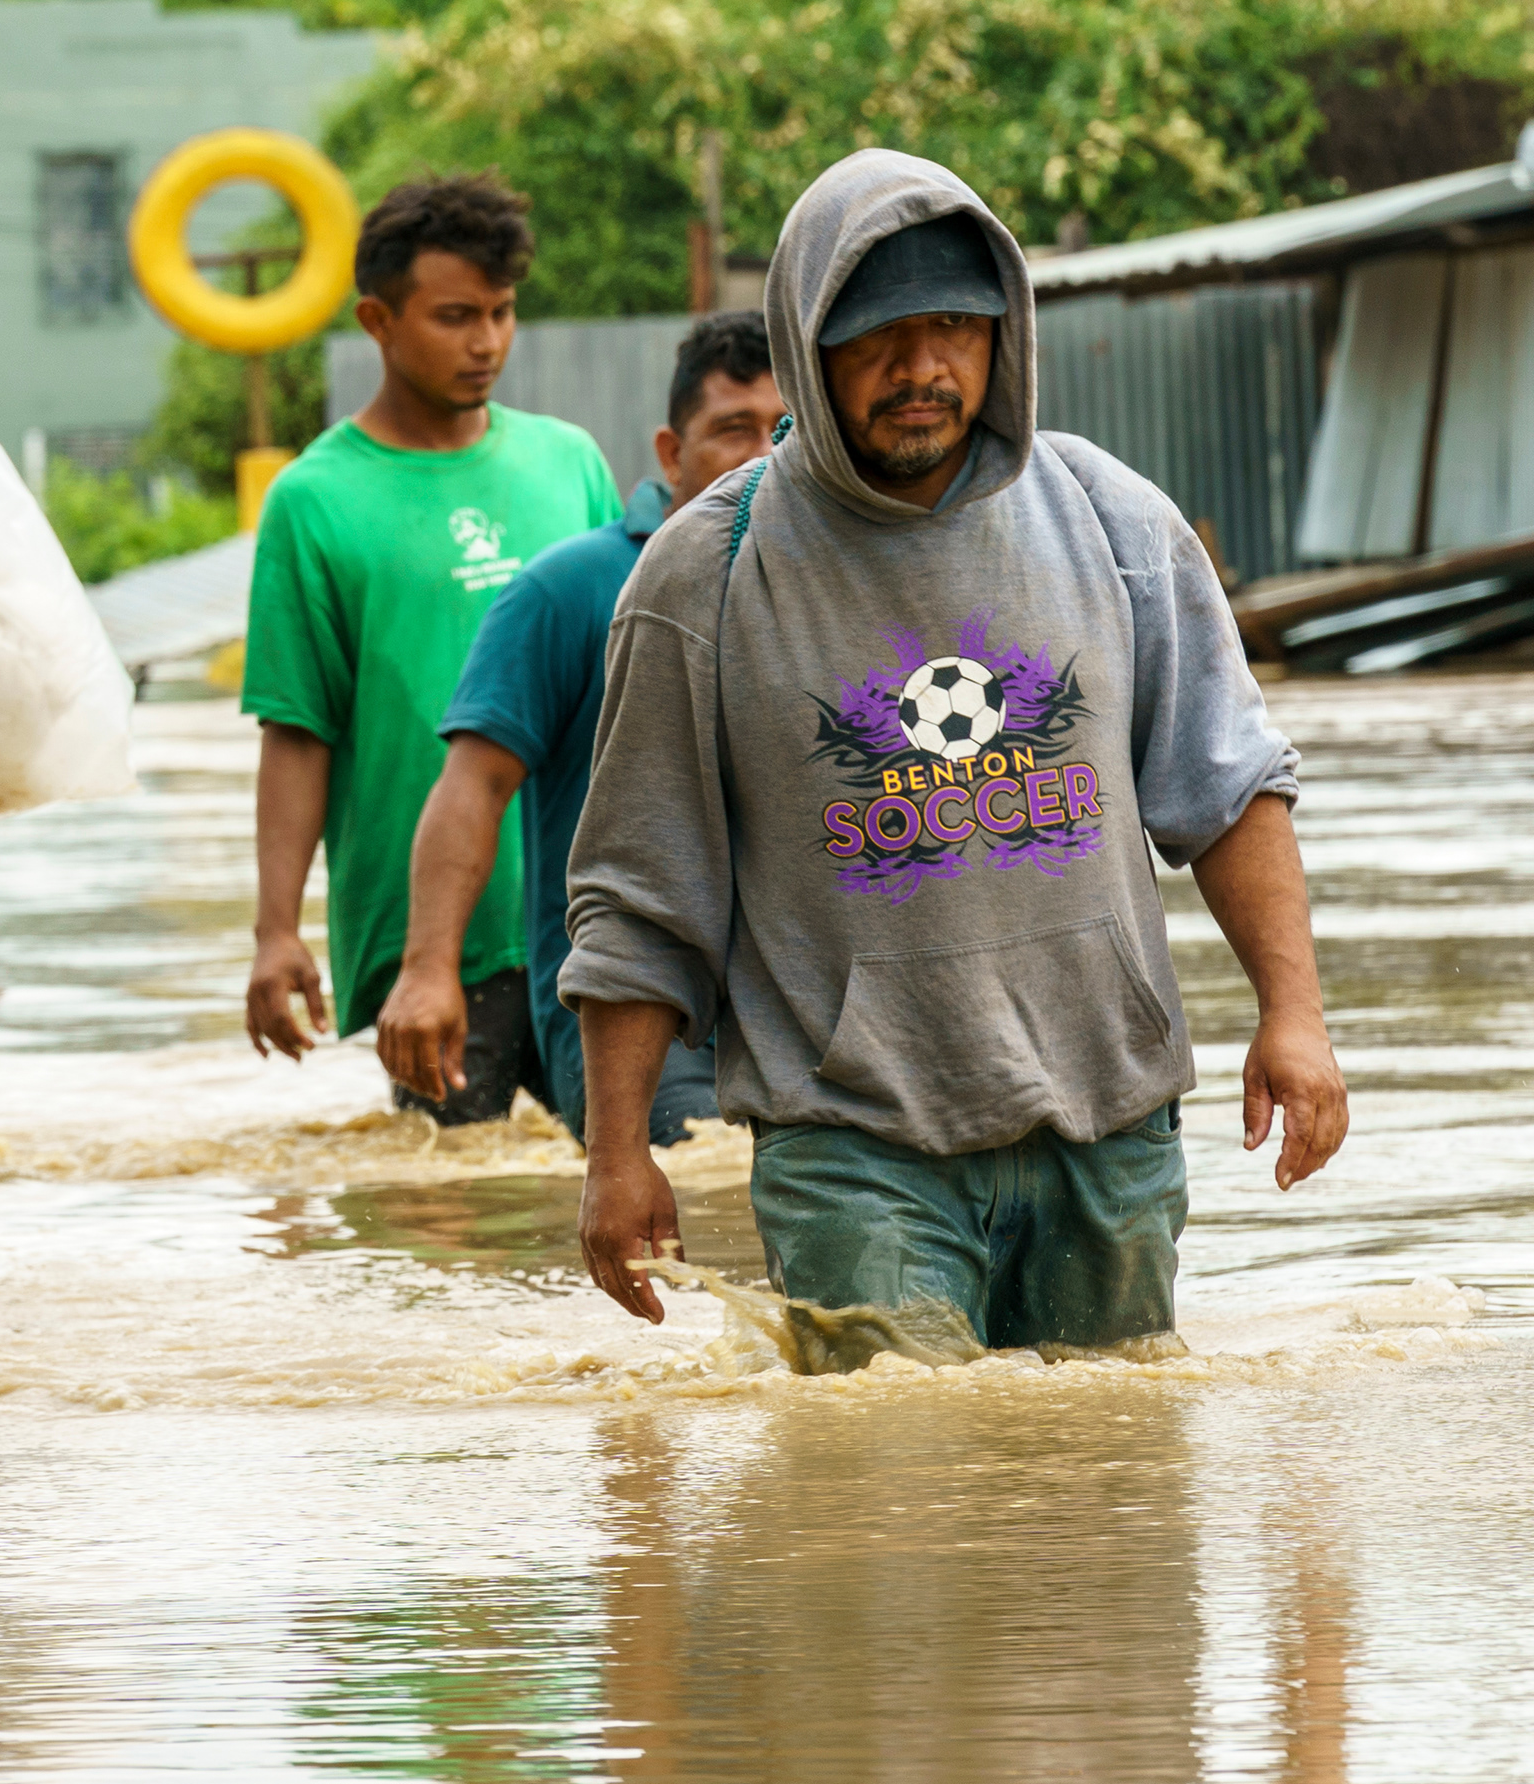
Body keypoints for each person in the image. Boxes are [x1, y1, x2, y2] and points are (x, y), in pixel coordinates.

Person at [561, 150, 1346, 1351]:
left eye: (954, 327)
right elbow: (638, 898)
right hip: (854, 1150)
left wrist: (1295, 1013)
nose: (923, 367)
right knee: (894, 1494)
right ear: (808, 346)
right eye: (879, 336)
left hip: (1110, 1133)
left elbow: (1229, 787)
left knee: (1112, 1492)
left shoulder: (1110, 516)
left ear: (1005, 334)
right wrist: (616, 1157)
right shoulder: (705, 574)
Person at [239, 172, 620, 1122]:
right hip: (434, 948)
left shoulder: (568, 461)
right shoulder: (313, 499)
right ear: (378, 318)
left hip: (591, 924)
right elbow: (298, 729)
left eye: (501, 312)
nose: (486, 341)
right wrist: (276, 932)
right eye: (455, 316)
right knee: (450, 1221)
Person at [376, 313, 786, 1143]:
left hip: (794, 1008)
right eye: (730, 431)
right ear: (671, 454)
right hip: (632, 1013)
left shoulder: (843, 589)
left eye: (783, 432)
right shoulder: (568, 590)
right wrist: (426, 972)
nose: (761, 458)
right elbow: (473, 789)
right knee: (703, 1184)